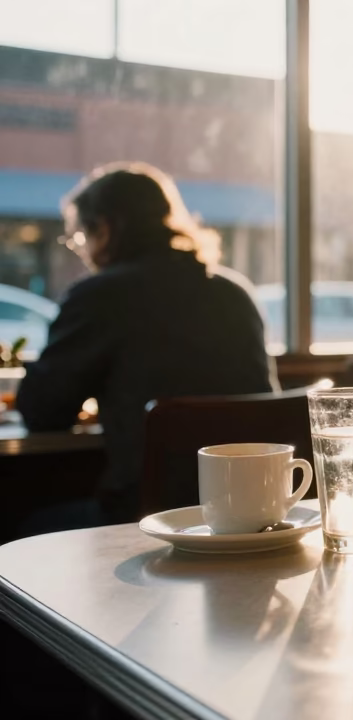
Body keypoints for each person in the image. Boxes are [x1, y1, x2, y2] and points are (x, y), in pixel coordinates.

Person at [16, 162, 272, 528]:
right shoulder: (234, 292)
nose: (84, 252)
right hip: (245, 515)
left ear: (104, 229)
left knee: (16, 526)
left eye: (81, 238)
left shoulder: (101, 296)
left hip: (143, 519)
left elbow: (41, 412)